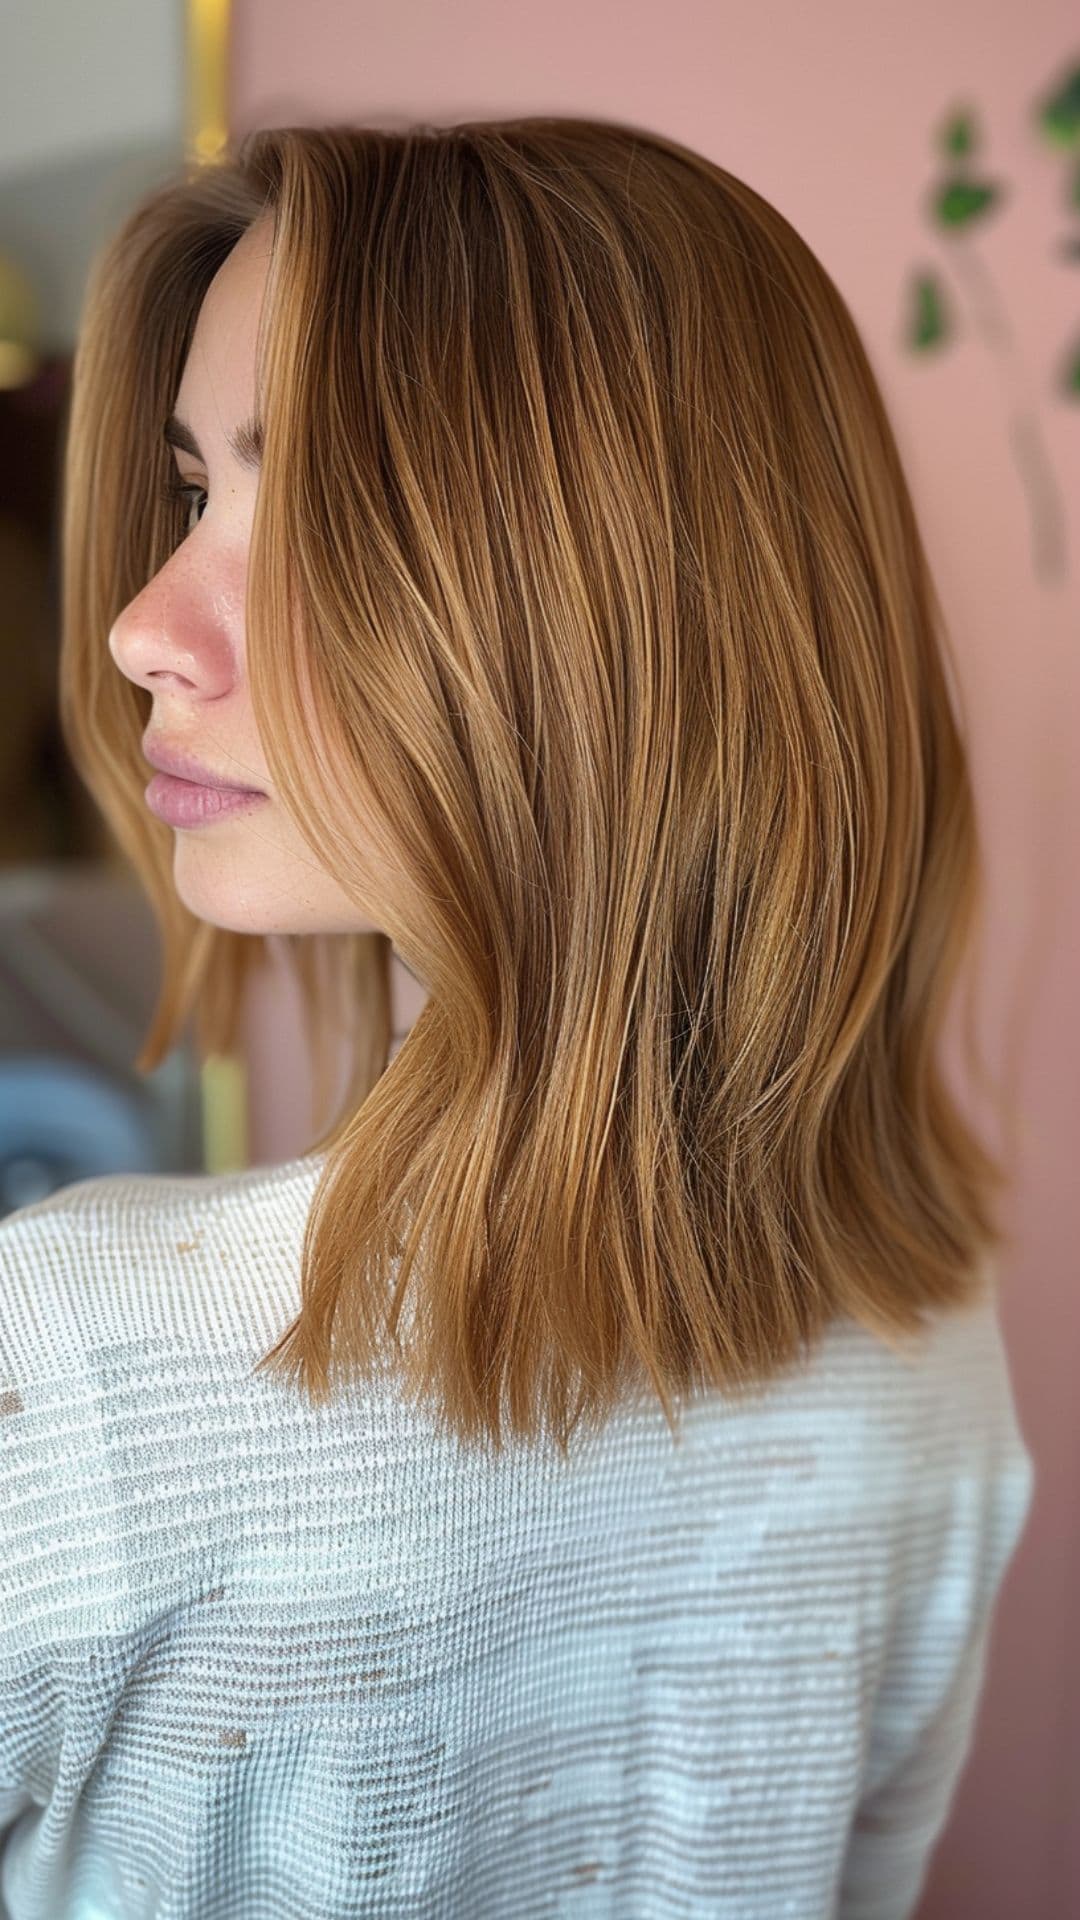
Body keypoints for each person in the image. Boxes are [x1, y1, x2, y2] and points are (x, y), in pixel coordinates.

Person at [0, 116, 1034, 1918]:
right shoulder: (933, 1348)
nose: (141, 629)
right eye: (191, 496)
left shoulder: (83, 1375)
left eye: (305, 507)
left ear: (607, 612)